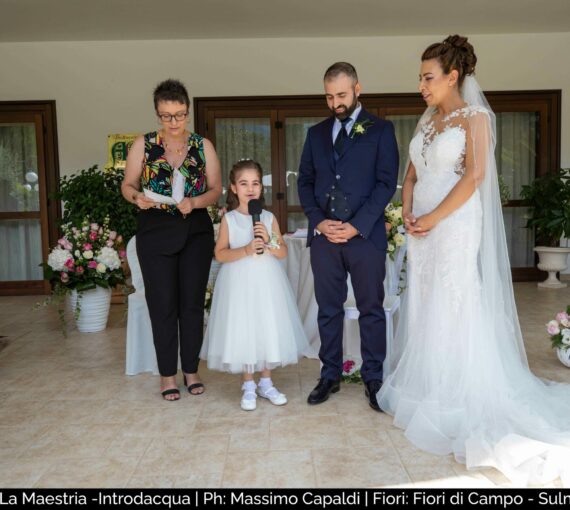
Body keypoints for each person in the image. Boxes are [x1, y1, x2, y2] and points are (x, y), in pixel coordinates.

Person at [378, 35, 570, 486]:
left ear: (453, 76)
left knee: (454, 299)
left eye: (429, 77)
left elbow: (476, 174)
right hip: (422, 227)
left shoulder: (476, 118)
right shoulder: (426, 121)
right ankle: (426, 385)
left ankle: (455, 391)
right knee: (425, 300)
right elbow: (411, 175)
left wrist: (433, 217)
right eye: (420, 77)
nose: (421, 85)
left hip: (455, 225)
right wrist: (408, 210)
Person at [297, 62, 399, 410]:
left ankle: (373, 377)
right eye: (329, 96)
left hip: (365, 237)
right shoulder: (315, 134)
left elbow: (387, 183)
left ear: (358, 89)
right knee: (328, 309)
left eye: (341, 94)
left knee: (371, 309)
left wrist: (357, 225)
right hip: (325, 239)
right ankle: (329, 375)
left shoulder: (382, 131)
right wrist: (319, 221)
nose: (335, 102)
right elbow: (304, 182)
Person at [121, 79, 222, 401]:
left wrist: (194, 202)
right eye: (167, 116)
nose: (174, 122)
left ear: (188, 112)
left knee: (191, 306)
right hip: (154, 231)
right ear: (157, 114)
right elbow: (128, 184)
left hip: (195, 231)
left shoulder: (203, 146)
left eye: (179, 115)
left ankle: (191, 370)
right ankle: (167, 375)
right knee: (162, 305)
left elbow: (216, 190)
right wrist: (137, 197)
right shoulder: (143, 145)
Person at [200, 159, 313, 411]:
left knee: (266, 326)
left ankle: (266, 382)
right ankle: (248, 384)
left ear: (261, 188)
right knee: (245, 328)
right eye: (243, 183)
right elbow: (220, 254)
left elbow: (282, 252)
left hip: (266, 281)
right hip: (239, 283)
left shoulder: (269, 217)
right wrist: (246, 248)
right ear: (233, 188)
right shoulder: (229, 219)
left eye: (255, 184)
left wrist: (268, 242)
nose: (250, 189)